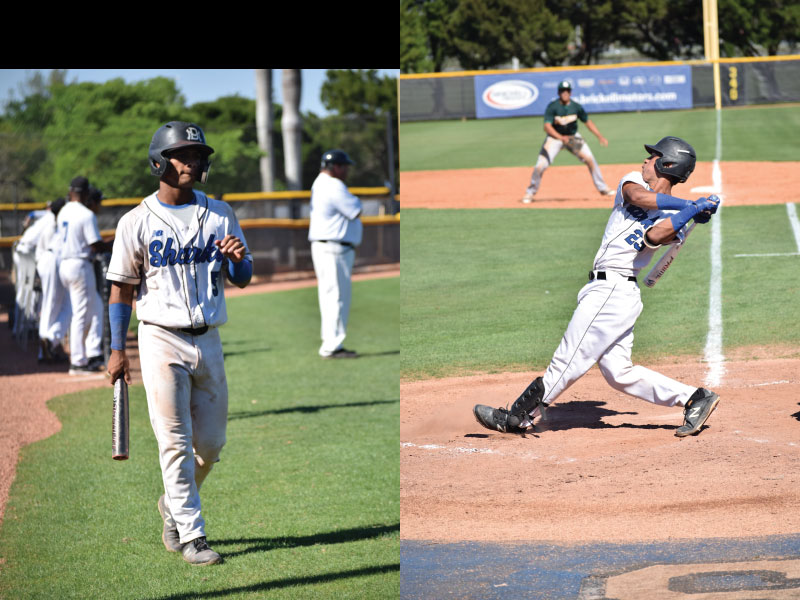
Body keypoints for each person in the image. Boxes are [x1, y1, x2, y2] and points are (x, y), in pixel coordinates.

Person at [475, 136, 721, 438]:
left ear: (667, 164)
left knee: (569, 358)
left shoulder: (676, 220)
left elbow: (654, 237)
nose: (645, 160)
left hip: (614, 292)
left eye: (653, 156)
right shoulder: (633, 182)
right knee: (619, 373)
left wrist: (688, 214)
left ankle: (517, 417)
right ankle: (695, 398)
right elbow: (637, 198)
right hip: (607, 290)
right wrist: (690, 205)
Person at [106, 121, 252, 566]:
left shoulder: (220, 213)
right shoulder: (135, 222)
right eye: (183, 154)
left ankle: (172, 504)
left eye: (198, 154)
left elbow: (243, 278)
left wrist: (237, 261)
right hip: (159, 339)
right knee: (174, 442)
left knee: (211, 445)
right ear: (159, 162)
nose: (193, 161)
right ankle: (193, 536)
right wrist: (117, 349)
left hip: (209, 339)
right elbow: (121, 291)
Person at [308, 149, 363, 359]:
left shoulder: (320, 183)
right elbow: (355, 210)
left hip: (328, 247)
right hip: (333, 248)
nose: (347, 170)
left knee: (331, 297)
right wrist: (356, 199)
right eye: (344, 166)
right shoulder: (333, 185)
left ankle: (330, 343)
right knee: (336, 297)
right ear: (335, 167)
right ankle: (332, 346)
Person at [522, 80, 614, 203]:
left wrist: (599, 136)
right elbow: (547, 127)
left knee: (590, 159)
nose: (565, 93)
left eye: (567, 90)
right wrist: (560, 137)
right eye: (562, 91)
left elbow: (587, 122)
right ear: (558, 93)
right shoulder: (553, 106)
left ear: (570, 92)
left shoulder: (576, 107)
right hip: (554, 138)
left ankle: (603, 188)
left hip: (572, 138)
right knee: (540, 165)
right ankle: (530, 192)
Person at [56, 176, 110, 374]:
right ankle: (78, 361)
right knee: (80, 313)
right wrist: (113, 243)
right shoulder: (86, 214)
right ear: (86, 193)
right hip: (79, 264)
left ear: (71, 191)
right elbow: (95, 245)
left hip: (66, 264)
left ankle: (93, 353)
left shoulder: (63, 210)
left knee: (96, 307)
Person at [35, 197, 71, 363]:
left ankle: (47, 346)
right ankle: (49, 343)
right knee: (54, 306)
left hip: (47, 261)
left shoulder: (55, 222)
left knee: (53, 306)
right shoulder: (56, 224)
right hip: (52, 261)